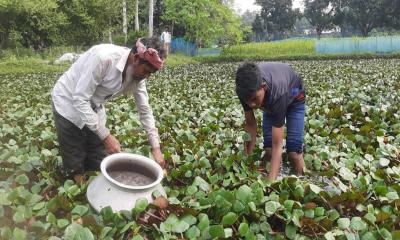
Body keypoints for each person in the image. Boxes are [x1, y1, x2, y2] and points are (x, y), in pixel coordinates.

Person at [51, 37, 166, 178]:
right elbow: (80, 99)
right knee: (75, 163)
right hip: (67, 104)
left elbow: (145, 110)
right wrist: (106, 137)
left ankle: (98, 190)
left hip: (94, 107)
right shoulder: (103, 58)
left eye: (151, 74)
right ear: (136, 58)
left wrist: (156, 147)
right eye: (146, 71)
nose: (147, 77)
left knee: (99, 160)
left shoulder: (138, 76)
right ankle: (77, 188)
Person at [235, 61, 306, 180]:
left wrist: (270, 182)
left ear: (263, 87)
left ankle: (303, 183)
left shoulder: (277, 95)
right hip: (270, 100)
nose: (252, 105)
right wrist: (248, 159)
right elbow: (251, 124)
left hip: (294, 94)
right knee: (268, 150)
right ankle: (277, 176)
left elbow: (277, 145)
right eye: (248, 101)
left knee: (294, 153)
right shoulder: (245, 91)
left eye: (254, 99)